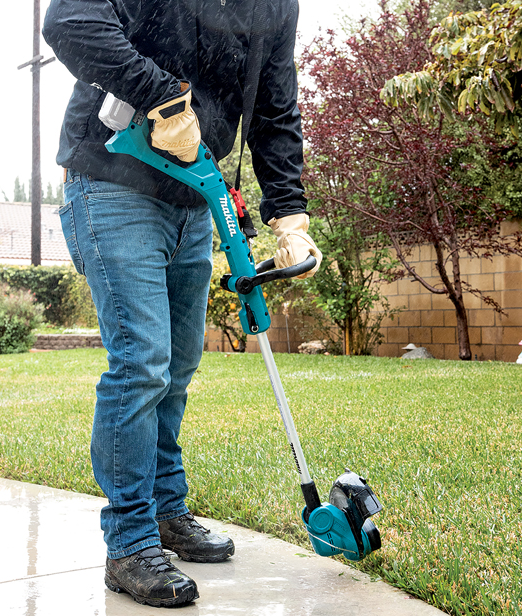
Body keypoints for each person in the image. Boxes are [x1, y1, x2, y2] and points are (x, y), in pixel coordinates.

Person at [43, 0, 322, 608]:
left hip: (195, 192)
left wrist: (289, 213)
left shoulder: (277, 7)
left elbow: (274, 109)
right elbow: (68, 22)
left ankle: (168, 511)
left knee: (178, 367)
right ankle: (130, 541)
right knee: (142, 363)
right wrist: (166, 98)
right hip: (113, 179)